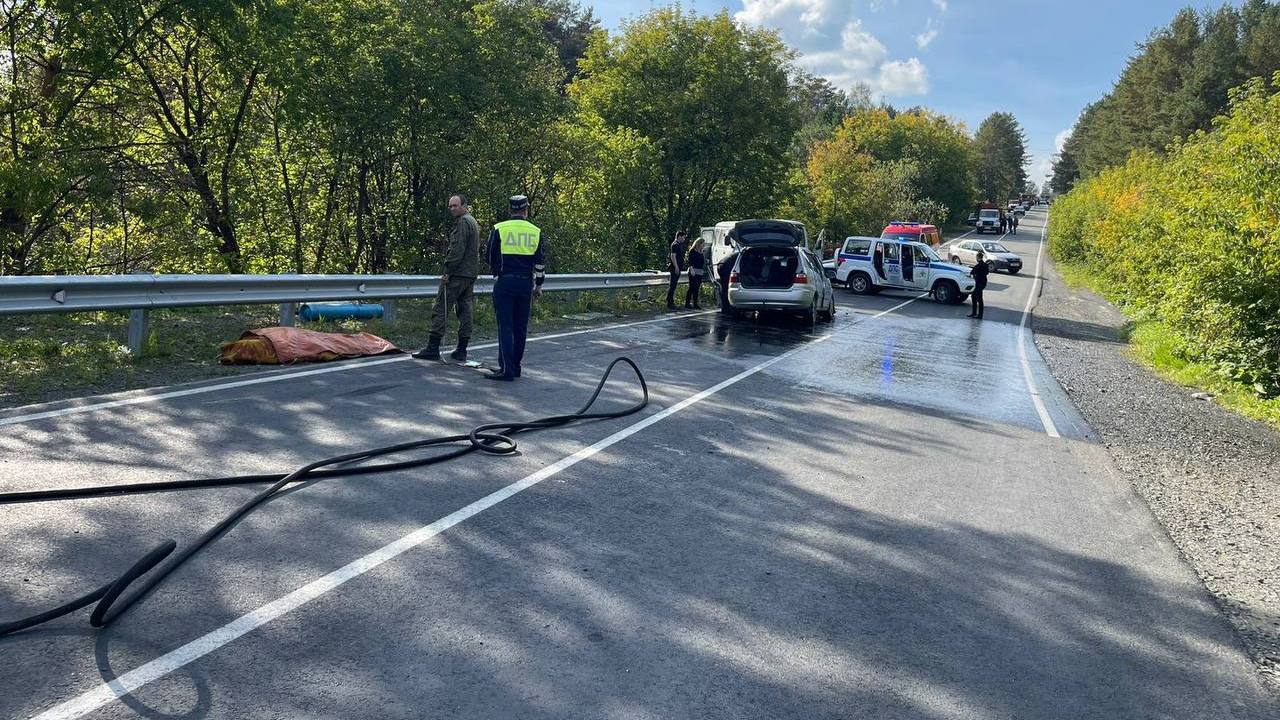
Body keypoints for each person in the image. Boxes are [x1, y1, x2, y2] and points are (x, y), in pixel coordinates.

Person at [485, 194, 545, 381]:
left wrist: (498, 272)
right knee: (520, 327)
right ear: (526, 210)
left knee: (505, 326)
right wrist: (538, 285)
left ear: (510, 209)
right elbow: (540, 262)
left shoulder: (499, 228)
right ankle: (516, 367)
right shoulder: (535, 231)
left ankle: (506, 369)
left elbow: (489, 255)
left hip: (505, 282)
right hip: (525, 283)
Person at [413, 194, 480, 362]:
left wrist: (448, 271)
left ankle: (433, 347)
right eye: (450, 206)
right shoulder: (472, 221)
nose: (452, 209)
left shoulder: (463, 222)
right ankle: (462, 349)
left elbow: (458, 249)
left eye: (455, 205)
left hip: (458, 273)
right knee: (465, 310)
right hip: (470, 273)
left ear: (464, 205)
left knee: (441, 307)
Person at [666, 230, 689, 310]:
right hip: (675, 268)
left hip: (678, 267)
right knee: (672, 285)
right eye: (683, 237)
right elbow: (673, 256)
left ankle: (671, 301)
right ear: (679, 236)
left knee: (674, 285)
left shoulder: (679, 245)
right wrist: (676, 267)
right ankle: (670, 302)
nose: (684, 239)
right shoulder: (675, 245)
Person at [684, 238, 707, 309]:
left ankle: (695, 303)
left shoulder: (701, 252)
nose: (704, 245)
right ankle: (687, 303)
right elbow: (690, 261)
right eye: (703, 244)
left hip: (700, 271)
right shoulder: (692, 251)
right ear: (699, 243)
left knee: (697, 288)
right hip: (693, 271)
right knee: (692, 287)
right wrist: (691, 269)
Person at [716, 248, 740, 313]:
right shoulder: (746, 255)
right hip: (726, 266)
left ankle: (725, 308)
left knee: (724, 288)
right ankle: (727, 308)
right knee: (726, 288)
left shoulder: (740, 252)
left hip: (721, 265)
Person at [968, 251, 989, 319]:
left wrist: (976, 274)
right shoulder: (985, 265)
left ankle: (979, 315)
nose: (976, 258)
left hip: (979, 283)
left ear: (978, 257)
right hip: (983, 283)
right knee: (974, 296)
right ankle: (974, 313)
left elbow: (972, 272)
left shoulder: (978, 265)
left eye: (976, 257)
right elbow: (987, 272)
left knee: (979, 299)